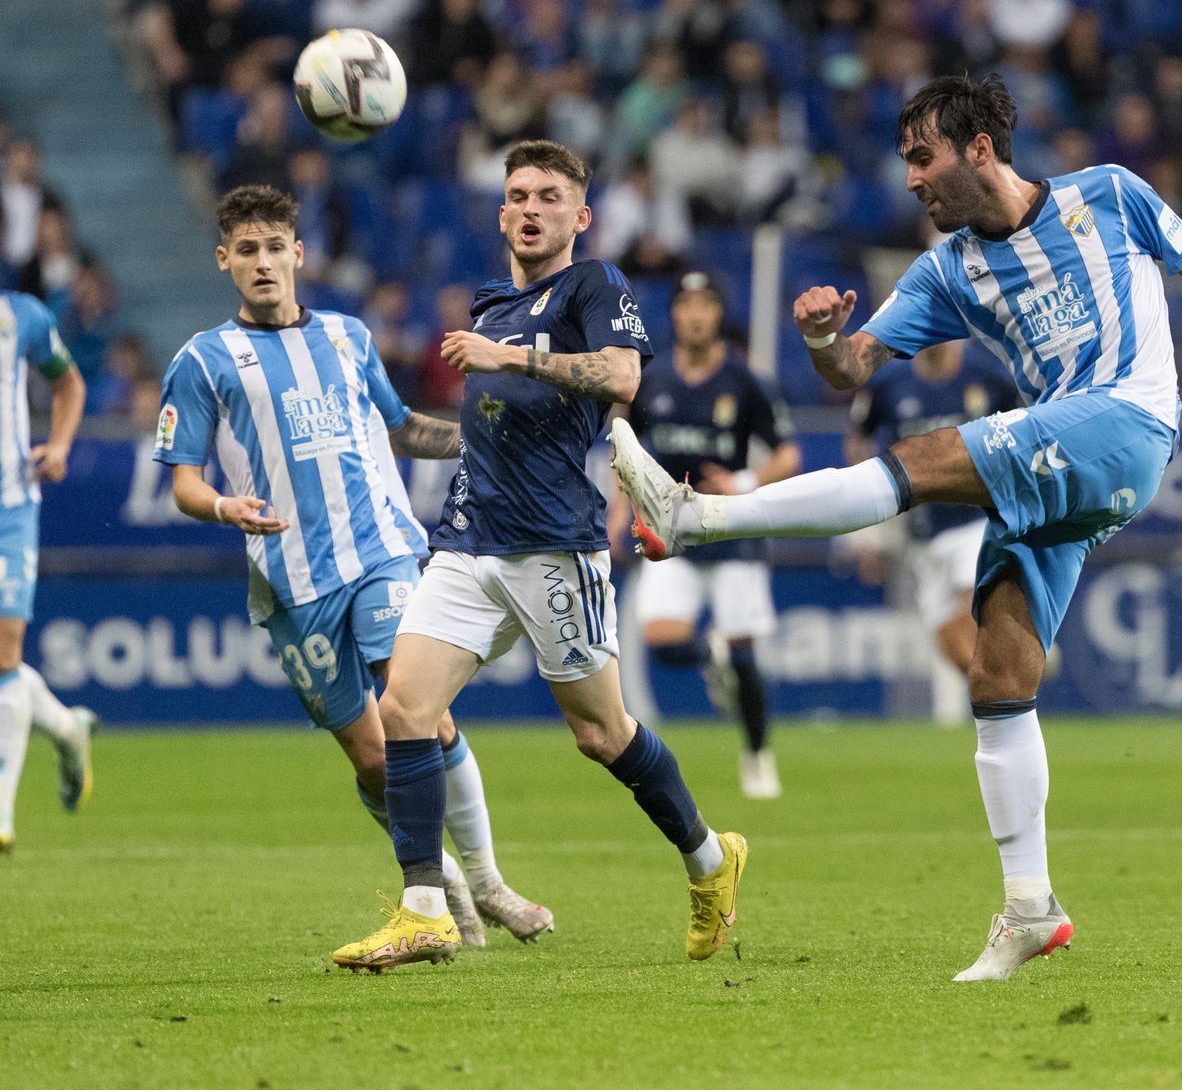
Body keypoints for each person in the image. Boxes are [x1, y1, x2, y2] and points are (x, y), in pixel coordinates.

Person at [611, 74, 1182, 982]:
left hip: (1129, 420)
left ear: (979, 147)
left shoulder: (1109, 194)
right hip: (1067, 458)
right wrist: (827, 339)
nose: (911, 180)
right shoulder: (945, 270)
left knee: (930, 456)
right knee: (997, 673)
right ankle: (1030, 908)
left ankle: (698, 514)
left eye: (922, 157)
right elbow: (853, 369)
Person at [331, 141, 745, 972]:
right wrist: (372, 420)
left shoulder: (595, 287)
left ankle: (710, 860)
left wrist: (509, 356)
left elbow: (623, 378)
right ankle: (423, 912)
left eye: (549, 196)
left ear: (579, 216)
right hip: (467, 543)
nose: (529, 208)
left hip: (553, 546)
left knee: (602, 733)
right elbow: (470, 433)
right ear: (500, 212)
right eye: (516, 194)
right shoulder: (488, 306)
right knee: (404, 711)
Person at [153, 185, 550, 950]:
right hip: (291, 584)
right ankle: (442, 884)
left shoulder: (348, 337)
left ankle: (488, 882)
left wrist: (480, 439)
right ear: (223, 261)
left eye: (275, 247)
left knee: (422, 715)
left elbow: (400, 429)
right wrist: (223, 508)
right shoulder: (203, 361)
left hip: (382, 553)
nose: (263, 263)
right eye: (247, 251)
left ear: (299, 253)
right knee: (373, 759)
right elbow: (182, 480)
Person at [610, 270, 800, 798]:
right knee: (662, 640)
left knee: (744, 655)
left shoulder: (746, 382)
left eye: (705, 304)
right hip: (671, 536)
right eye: (685, 303)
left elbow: (788, 452)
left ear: (718, 314)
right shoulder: (651, 380)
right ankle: (709, 655)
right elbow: (629, 456)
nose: (695, 314)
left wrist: (744, 481)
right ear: (673, 314)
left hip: (731, 532)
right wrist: (620, 515)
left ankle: (758, 754)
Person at [846, 339, 1019, 725]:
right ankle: (1014, 679)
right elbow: (858, 440)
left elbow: (1023, 428)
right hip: (921, 529)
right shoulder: (888, 383)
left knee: (969, 609)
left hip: (977, 519)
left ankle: (1011, 694)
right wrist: (876, 512)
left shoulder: (986, 372)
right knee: (950, 640)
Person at [0, 285, 95, 856]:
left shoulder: (22, 318)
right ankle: (66, 728)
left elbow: (69, 382)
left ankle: (1, 812)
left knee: (6, 650)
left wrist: (58, 445)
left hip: (11, 504)